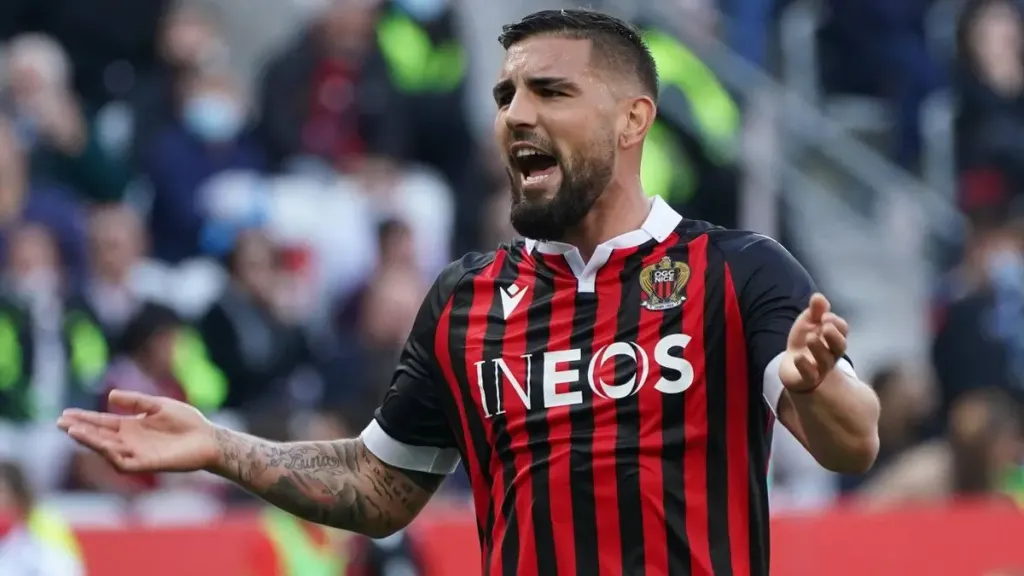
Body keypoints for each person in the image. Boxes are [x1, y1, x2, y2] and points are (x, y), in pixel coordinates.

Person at [56, 9, 881, 576]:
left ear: (633, 119)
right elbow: (379, 485)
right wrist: (220, 448)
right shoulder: (467, 299)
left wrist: (816, 387)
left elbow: (853, 444)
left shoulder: (738, 271)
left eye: (551, 91)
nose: (516, 114)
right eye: (506, 95)